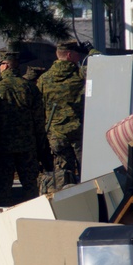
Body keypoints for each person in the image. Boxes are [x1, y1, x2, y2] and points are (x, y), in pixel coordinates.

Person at [0, 51, 44, 205]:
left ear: (6, 65)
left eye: (0, 65)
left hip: (1, 146)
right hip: (27, 145)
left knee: (2, 188)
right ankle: (36, 215)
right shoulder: (30, 87)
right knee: (31, 186)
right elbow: (39, 119)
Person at [36, 40, 86, 189]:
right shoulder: (81, 75)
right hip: (80, 134)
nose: (79, 58)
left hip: (56, 134)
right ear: (70, 55)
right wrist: (92, 52)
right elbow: (103, 65)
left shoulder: (44, 78)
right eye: (78, 54)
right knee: (89, 175)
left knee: (63, 176)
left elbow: (40, 107)